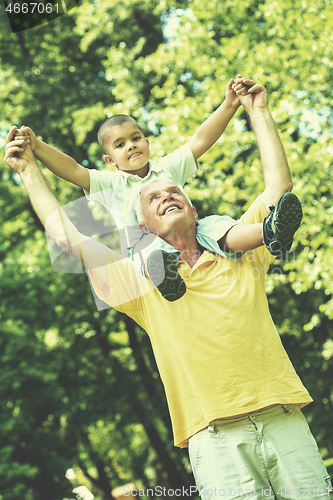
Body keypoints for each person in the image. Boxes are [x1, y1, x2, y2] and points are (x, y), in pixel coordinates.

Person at [5, 82, 331, 499]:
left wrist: (256, 110)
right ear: (142, 224)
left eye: (173, 192)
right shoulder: (138, 283)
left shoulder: (238, 256)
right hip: (212, 437)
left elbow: (278, 189)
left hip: (283, 415)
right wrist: (30, 166)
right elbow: (67, 236)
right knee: (148, 262)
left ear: (193, 208)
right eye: (153, 198)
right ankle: (168, 264)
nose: (165, 195)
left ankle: (270, 234)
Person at [14, 76, 301, 302]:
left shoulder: (166, 169)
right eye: (120, 144)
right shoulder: (110, 183)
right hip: (144, 244)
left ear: (147, 142)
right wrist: (37, 147)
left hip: (193, 233)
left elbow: (201, 139)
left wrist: (230, 105)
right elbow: (73, 169)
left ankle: (270, 232)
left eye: (136, 138)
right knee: (149, 251)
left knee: (217, 226)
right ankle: (165, 278)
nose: (131, 146)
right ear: (109, 160)